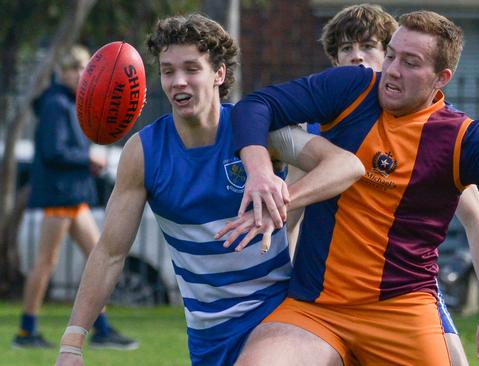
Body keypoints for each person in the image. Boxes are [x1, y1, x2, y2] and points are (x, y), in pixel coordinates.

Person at [222, 10, 479, 366]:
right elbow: (258, 105)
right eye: (390, 56)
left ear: (441, 77)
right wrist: (260, 171)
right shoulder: (353, 88)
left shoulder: (462, 139)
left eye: (409, 62)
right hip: (317, 307)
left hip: (403, 308)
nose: (390, 70)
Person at [54, 14, 363, 366]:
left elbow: (346, 165)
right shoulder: (144, 153)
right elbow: (109, 253)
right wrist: (72, 343)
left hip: (281, 316)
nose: (178, 81)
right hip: (207, 336)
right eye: (168, 71)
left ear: (219, 74)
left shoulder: (258, 130)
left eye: (191, 68)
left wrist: (284, 196)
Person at [314, 4, 479, 366]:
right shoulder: (318, 127)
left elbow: (478, 220)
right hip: (330, 296)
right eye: (345, 48)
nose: (356, 56)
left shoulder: (430, 134)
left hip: (403, 292)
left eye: (368, 46)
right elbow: (292, 222)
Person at [12, 45, 137, 350]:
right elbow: (54, 152)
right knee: (46, 262)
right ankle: (26, 331)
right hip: (59, 196)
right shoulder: (56, 103)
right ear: (62, 72)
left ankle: (102, 328)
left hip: (71, 195)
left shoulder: (69, 101)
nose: (81, 75)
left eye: (84, 69)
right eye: (75, 69)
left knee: (98, 256)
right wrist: (87, 161)